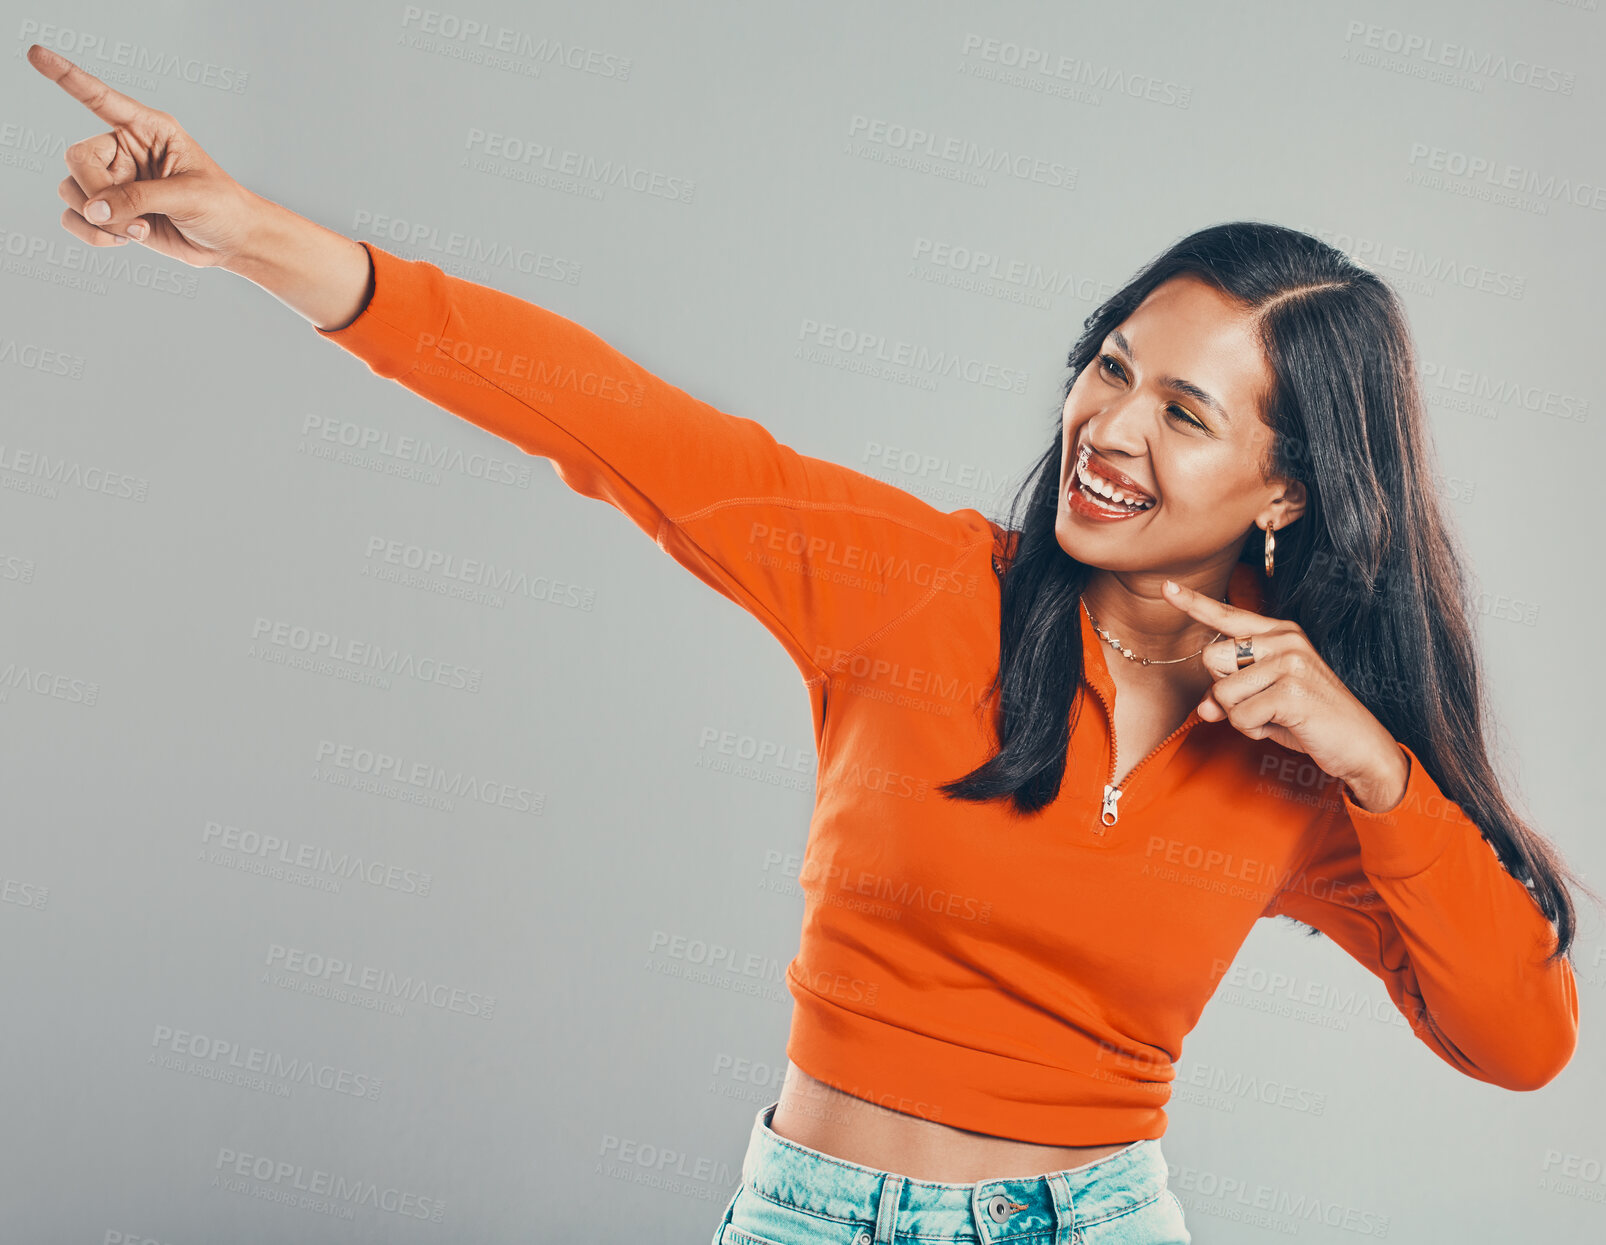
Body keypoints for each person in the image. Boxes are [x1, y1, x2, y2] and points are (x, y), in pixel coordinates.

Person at [30, 43, 1589, 1245]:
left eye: (1181, 413)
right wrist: (249, 235)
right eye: (1109, 369)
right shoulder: (907, 586)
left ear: (1285, 489)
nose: (1108, 429)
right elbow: (599, 411)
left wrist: (1377, 767)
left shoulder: (1306, 774)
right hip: (815, 1209)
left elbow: (1516, 1043)